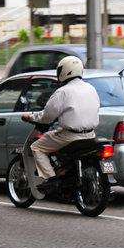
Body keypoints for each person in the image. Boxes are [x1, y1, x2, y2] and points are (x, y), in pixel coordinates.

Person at [20, 56, 100, 198]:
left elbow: (47, 116)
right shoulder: (91, 88)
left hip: (70, 136)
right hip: (91, 135)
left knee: (37, 147)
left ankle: (51, 179)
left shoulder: (63, 92)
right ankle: (65, 172)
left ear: (64, 71)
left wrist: (31, 117)